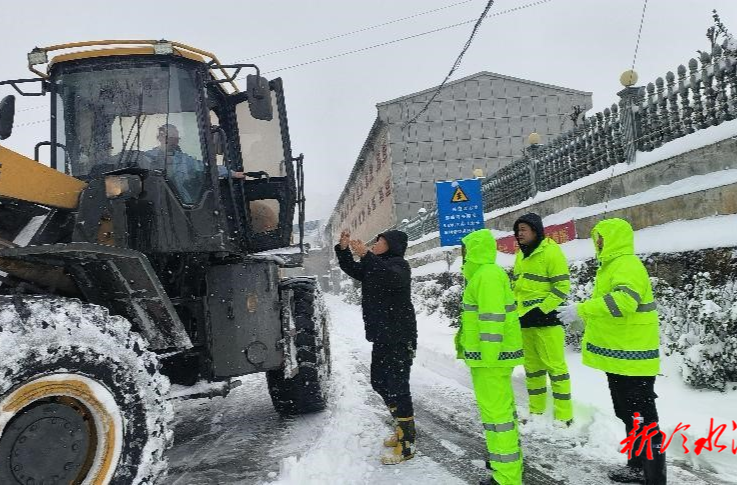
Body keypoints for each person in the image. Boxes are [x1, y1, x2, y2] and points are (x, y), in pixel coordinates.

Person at [557, 218, 666, 484]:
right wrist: (584, 318)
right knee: (629, 413)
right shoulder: (610, 267)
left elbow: (625, 302)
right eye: (596, 237)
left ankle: (654, 476)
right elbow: (611, 309)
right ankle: (637, 466)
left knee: (642, 416)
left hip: (634, 356)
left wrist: (582, 310)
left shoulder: (626, 264)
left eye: (602, 237)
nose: (598, 242)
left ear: (614, 238)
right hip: (621, 355)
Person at [334, 229, 417, 465]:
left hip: (400, 337)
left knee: (399, 387)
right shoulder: (376, 266)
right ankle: (402, 427)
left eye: (380, 240)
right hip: (382, 337)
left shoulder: (400, 266)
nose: (375, 243)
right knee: (379, 382)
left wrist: (367, 256)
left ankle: (408, 443)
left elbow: (392, 278)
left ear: (391, 245)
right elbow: (354, 270)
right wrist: (344, 250)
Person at [456, 228, 524, 485]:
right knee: (500, 413)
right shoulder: (485, 275)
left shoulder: (486, 276)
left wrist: (489, 356)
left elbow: (492, 320)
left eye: (465, 249)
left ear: (474, 250)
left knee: (497, 416)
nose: (463, 255)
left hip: (490, 359)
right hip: (488, 359)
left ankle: (507, 477)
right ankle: (505, 461)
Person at [512, 213, 573, 426]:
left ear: (536, 231)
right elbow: (519, 288)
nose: (519, 234)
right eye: (517, 231)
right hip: (524, 321)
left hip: (547, 321)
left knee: (556, 369)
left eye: (523, 230)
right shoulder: (521, 255)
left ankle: (564, 416)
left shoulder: (551, 252)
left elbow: (562, 287)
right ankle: (536, 411)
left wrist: (543, 309)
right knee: (532, 369)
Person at [146, 124, 246, 201]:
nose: (173, 141)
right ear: (159, 138)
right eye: (169, 138)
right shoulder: (148, 157)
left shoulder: (183, 159)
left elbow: (205, 167)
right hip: (158, 203)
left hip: (180, 201)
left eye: (175, 139)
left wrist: (232, 173)